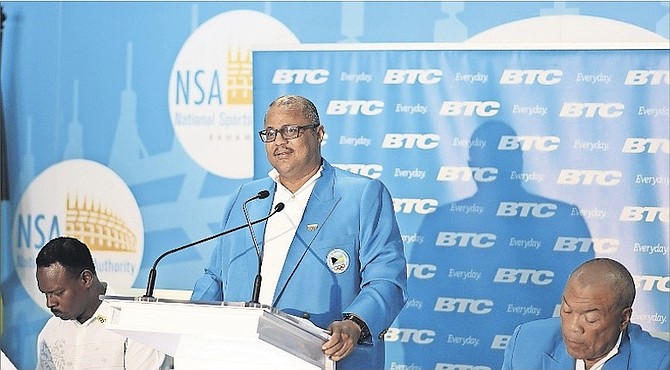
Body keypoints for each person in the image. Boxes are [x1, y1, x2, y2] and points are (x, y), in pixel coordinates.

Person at [191, 94, 407, 369]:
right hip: (241, 355)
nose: (279, 141)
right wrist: (192, 322)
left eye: (290, 130)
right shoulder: (246, 198)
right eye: (270, 133)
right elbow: (215, 277)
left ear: (319, 134)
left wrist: (355, 323)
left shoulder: (361, 195)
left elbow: (387, 280)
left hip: (321, 356)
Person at [502, 258, 669, 370]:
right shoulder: (526, 342)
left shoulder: (658, 363)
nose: (573, 327)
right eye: (567, 310)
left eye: (591, 319)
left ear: (624, 318)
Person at [35, 236, 167, 370]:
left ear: (86, 279)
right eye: (46, 294)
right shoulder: (51, 330)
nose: (49, 303)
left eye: (58, 293)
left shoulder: (135, 326)